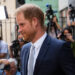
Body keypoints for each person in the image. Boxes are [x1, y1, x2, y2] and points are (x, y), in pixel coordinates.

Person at [15, 4, 75, 75]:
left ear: (34, 21)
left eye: (22, 24)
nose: (19, 30)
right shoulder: (24, 49)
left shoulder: (59, 48)